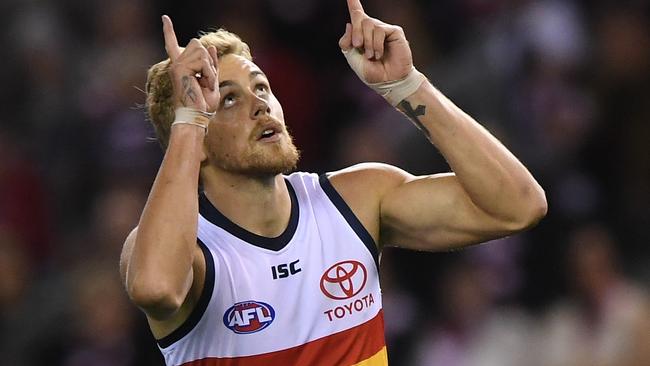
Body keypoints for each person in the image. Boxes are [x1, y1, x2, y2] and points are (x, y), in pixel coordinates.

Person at [119, 0, 547, 364]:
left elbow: (519, 206)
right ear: (197, 139)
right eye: (227, 99)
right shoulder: (184, 249)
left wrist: (408, 86)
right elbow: (156, 288)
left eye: (262, 88)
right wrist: (189, 123)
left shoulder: (356, 199)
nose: (260, 106)